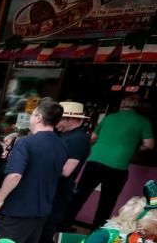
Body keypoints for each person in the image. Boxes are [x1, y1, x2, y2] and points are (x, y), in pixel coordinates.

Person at [0, 101, 67, 243]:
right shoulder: (62, 145)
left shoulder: (26, 142)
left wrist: (0, 199)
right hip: (42, 208)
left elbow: (14, 176)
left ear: (38, 117)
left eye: (32, 115)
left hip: (18, 207)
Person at [66, 94, 154, 229]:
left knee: (79, 195)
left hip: (95, 160)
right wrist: (134, 148)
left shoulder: (109, 117)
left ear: (122, 104)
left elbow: (93, 138)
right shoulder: (143, 121)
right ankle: (96, 233)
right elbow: (149, 144)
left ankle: (63, 225)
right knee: (107, 202)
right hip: (118, 166)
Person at [36, 100, 92, 243]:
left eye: (59, 118)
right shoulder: (63, 136)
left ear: (71, 120)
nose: (55, 122)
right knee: (38, 237)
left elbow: (67, 170)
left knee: (45, 238)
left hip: (58, 194)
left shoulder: (78, 139)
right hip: (50, 193)